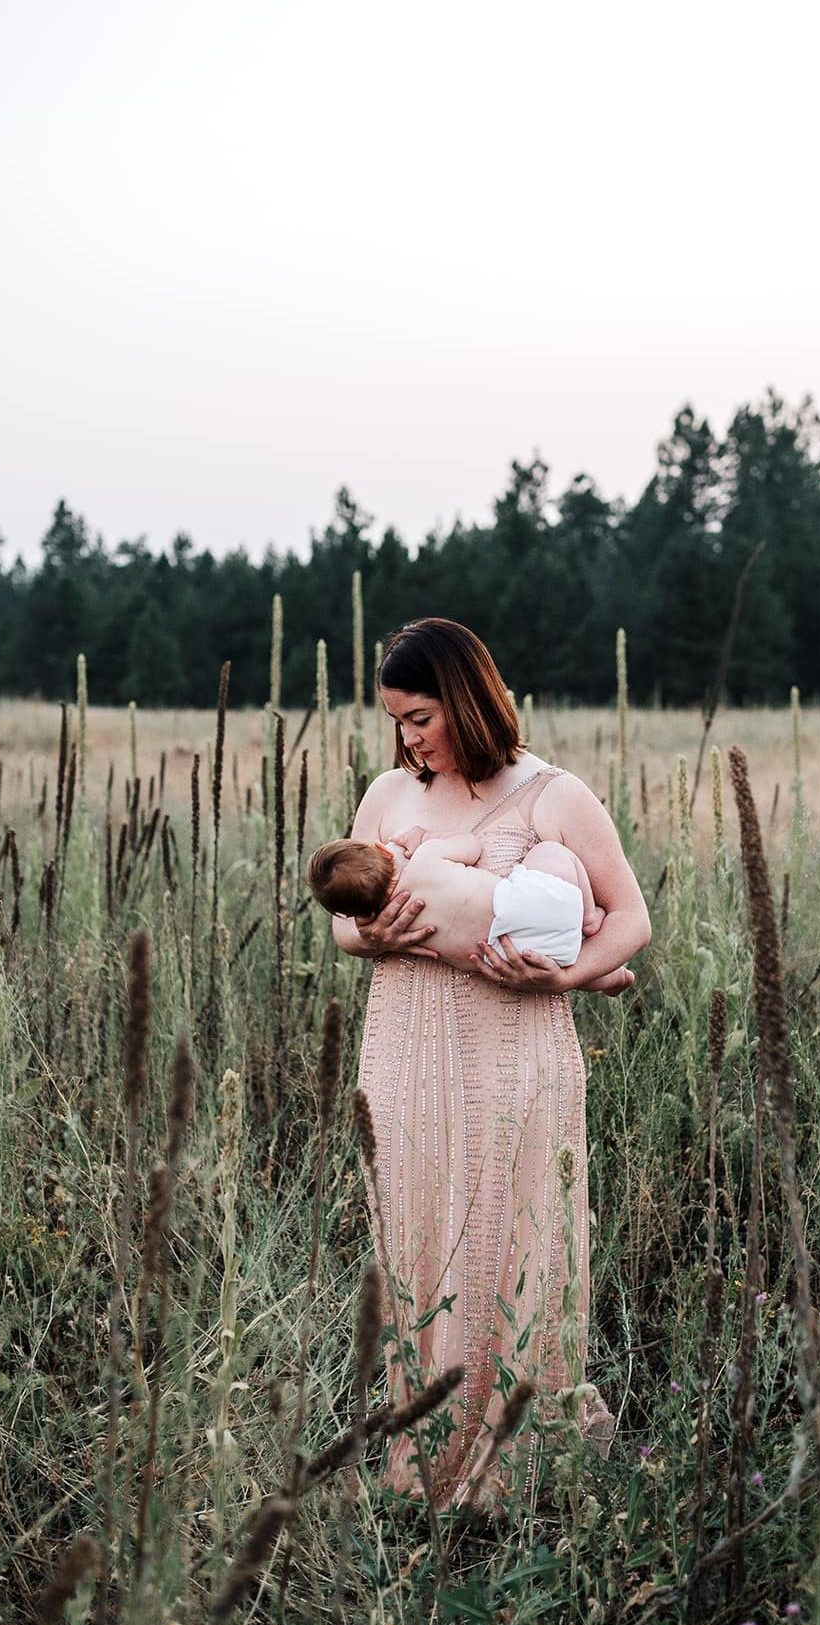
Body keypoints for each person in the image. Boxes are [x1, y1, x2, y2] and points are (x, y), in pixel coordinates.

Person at [330, 618, 652, 1511]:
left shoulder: (553, 796)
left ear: (470, 697)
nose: (409, 738)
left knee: (514, 1242)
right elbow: (341, 924)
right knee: (419, 1237)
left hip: (513, 1048)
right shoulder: (389, 796)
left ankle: (512, 1472)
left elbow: (629, 919)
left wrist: (569, 972)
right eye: (397, 720)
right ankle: (422, 1465)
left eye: (422, 715)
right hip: (402, 1049)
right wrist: (370, 933)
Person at [306, 824, 636, 994]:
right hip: (530, 901)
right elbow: (471, 847)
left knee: (555, 966)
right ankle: (589, 917)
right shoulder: (425, 860)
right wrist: (427, 838)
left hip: (506, 955)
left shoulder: (398, 928)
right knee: (551, 852)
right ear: (385, 851)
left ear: (349, 914)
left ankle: (608, 978)